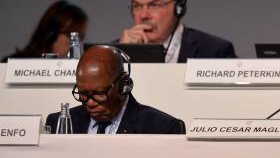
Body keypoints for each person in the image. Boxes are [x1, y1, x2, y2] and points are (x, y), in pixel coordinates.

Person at [46, 45, 185, 134]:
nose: (90, 103)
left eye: (99, 93)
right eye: (83, 94)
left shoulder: (162, 128)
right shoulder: (57, 123)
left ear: (124, 85)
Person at [119, 0, 237, 62]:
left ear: (178, 8)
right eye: (137, 6)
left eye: (154, 5)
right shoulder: (115, 53)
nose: (143, 15)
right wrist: (121, 56)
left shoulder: (214, 51)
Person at [2, 0, 88, 62]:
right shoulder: (9, 66)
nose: (75, 44)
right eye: (71, 36)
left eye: (79, 37)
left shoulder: (77, 75)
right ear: (51, 33)